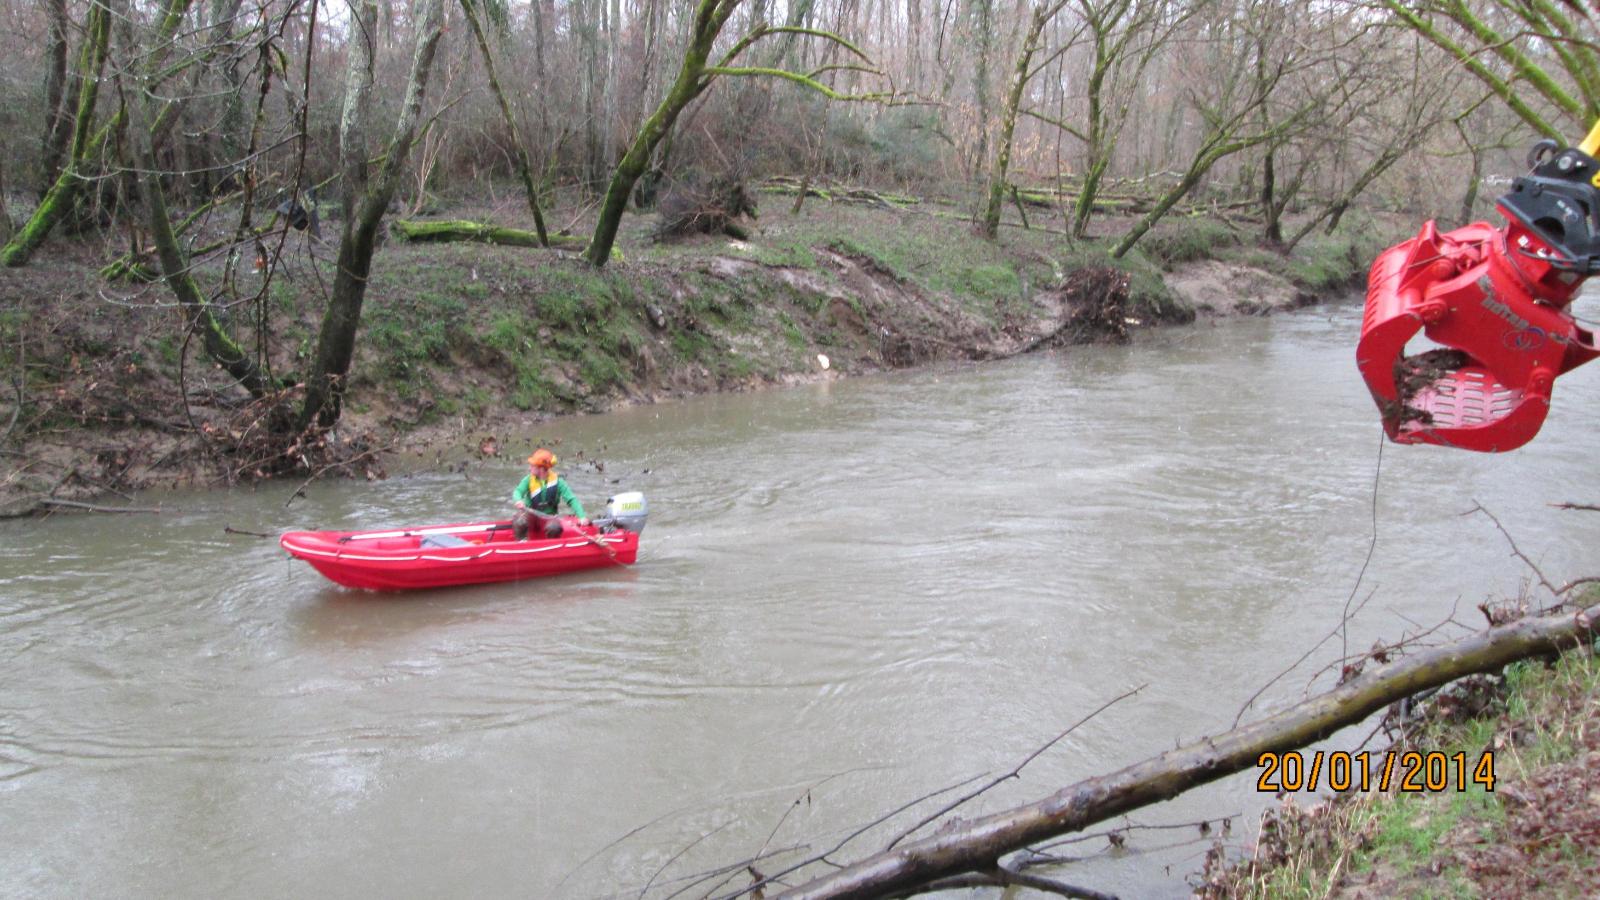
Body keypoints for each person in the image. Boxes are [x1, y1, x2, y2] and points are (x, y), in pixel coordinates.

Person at [511, 448, 590, 540]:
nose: (530, 468)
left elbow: (572, 499)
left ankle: (551, 545)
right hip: (531, 517)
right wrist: (518, 500)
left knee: (554, 528)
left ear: (541, 468)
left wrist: (582, 516)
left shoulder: (558, 482)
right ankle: (521, 543)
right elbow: (518, 492)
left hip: (549, 518)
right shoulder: (528, 480)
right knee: (520, 521)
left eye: (532, 466)